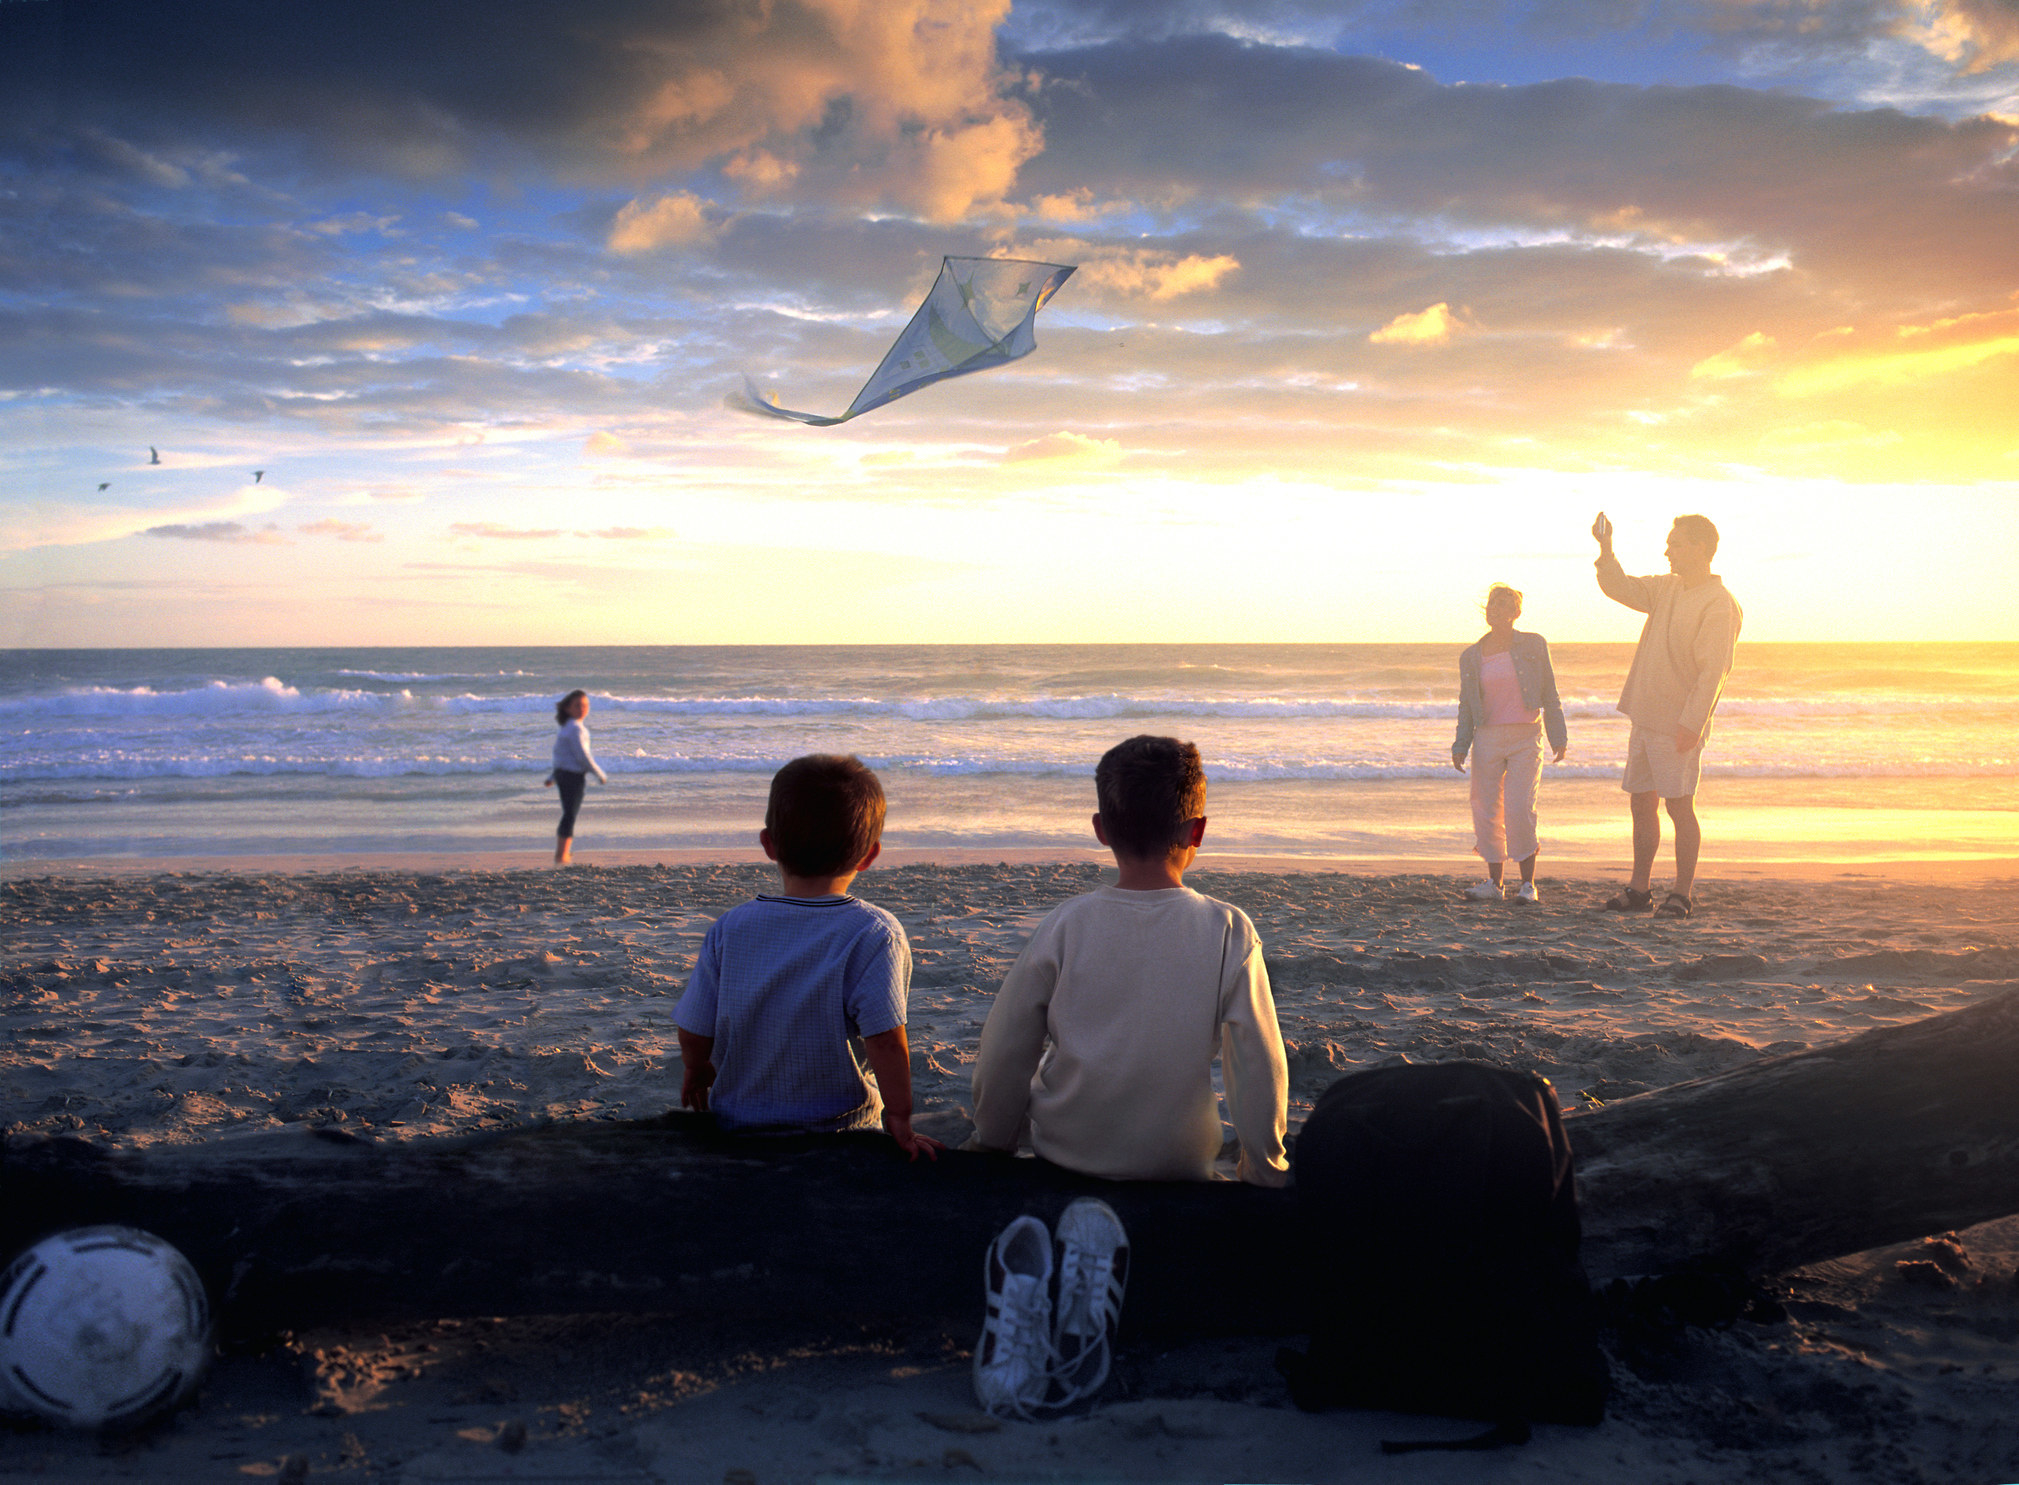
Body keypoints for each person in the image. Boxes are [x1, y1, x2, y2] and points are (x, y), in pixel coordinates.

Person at [968, 734, 1290, 1186]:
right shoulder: (1229, 931)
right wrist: (1263, 1168)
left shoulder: (1066, 924)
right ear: (1196, 830)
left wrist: (993, 1139)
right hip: (1177, 1164)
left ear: (1101, 829)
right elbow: (1258, 1063)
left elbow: (1006, 1045)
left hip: (1066, 1155)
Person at [673, 754, 941, 1159]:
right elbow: (885, 1041)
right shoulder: (874, 932)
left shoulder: (730, 928)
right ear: (869, 855)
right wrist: (900, 1117)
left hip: (740, 1124)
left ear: (769, 844)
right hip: (841, 1128)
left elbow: (695, 1028)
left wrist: (697, 1069)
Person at [1591, 511, 1743, 918]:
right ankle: (1639, 890)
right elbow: (1619, 587)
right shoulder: (1666, 588)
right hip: (1646, 714)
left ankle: (1681, 894)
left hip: (1678, 723)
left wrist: (1691, 724)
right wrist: (1606, 549)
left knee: (1679, 806)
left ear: (1700, 548)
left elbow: (1715, 670)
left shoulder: (1719, 603)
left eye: (1675, 543)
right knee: (1641, 803)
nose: (1667, 550)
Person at [1452, 584, 1569, 904]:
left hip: (1525, 736)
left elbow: (1550, 693)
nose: (1495, 609)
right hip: (1487, 737)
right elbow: (1467, 704)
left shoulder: (1534, 644)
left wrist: (1558, 735)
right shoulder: (1471, 656)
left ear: (1516, 613)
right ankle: (1494, 882)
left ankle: (1528, 884)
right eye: (1492, 603)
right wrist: (1460, 744)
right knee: (1485, 808)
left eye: (1504, 604)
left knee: (1519, 808)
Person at [542, 689, 607, 866]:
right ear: (568, 708)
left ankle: (563, 853)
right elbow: (582, 756)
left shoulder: (568, 728)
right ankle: (561, 855)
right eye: (577, 705)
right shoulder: (576, 729)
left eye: (585, 705)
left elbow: (560, 756)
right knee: (570, 814)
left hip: (564, 775)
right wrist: (599, 774)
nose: (582, 708)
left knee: (568, 813)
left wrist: (553, 776)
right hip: (572, 777)